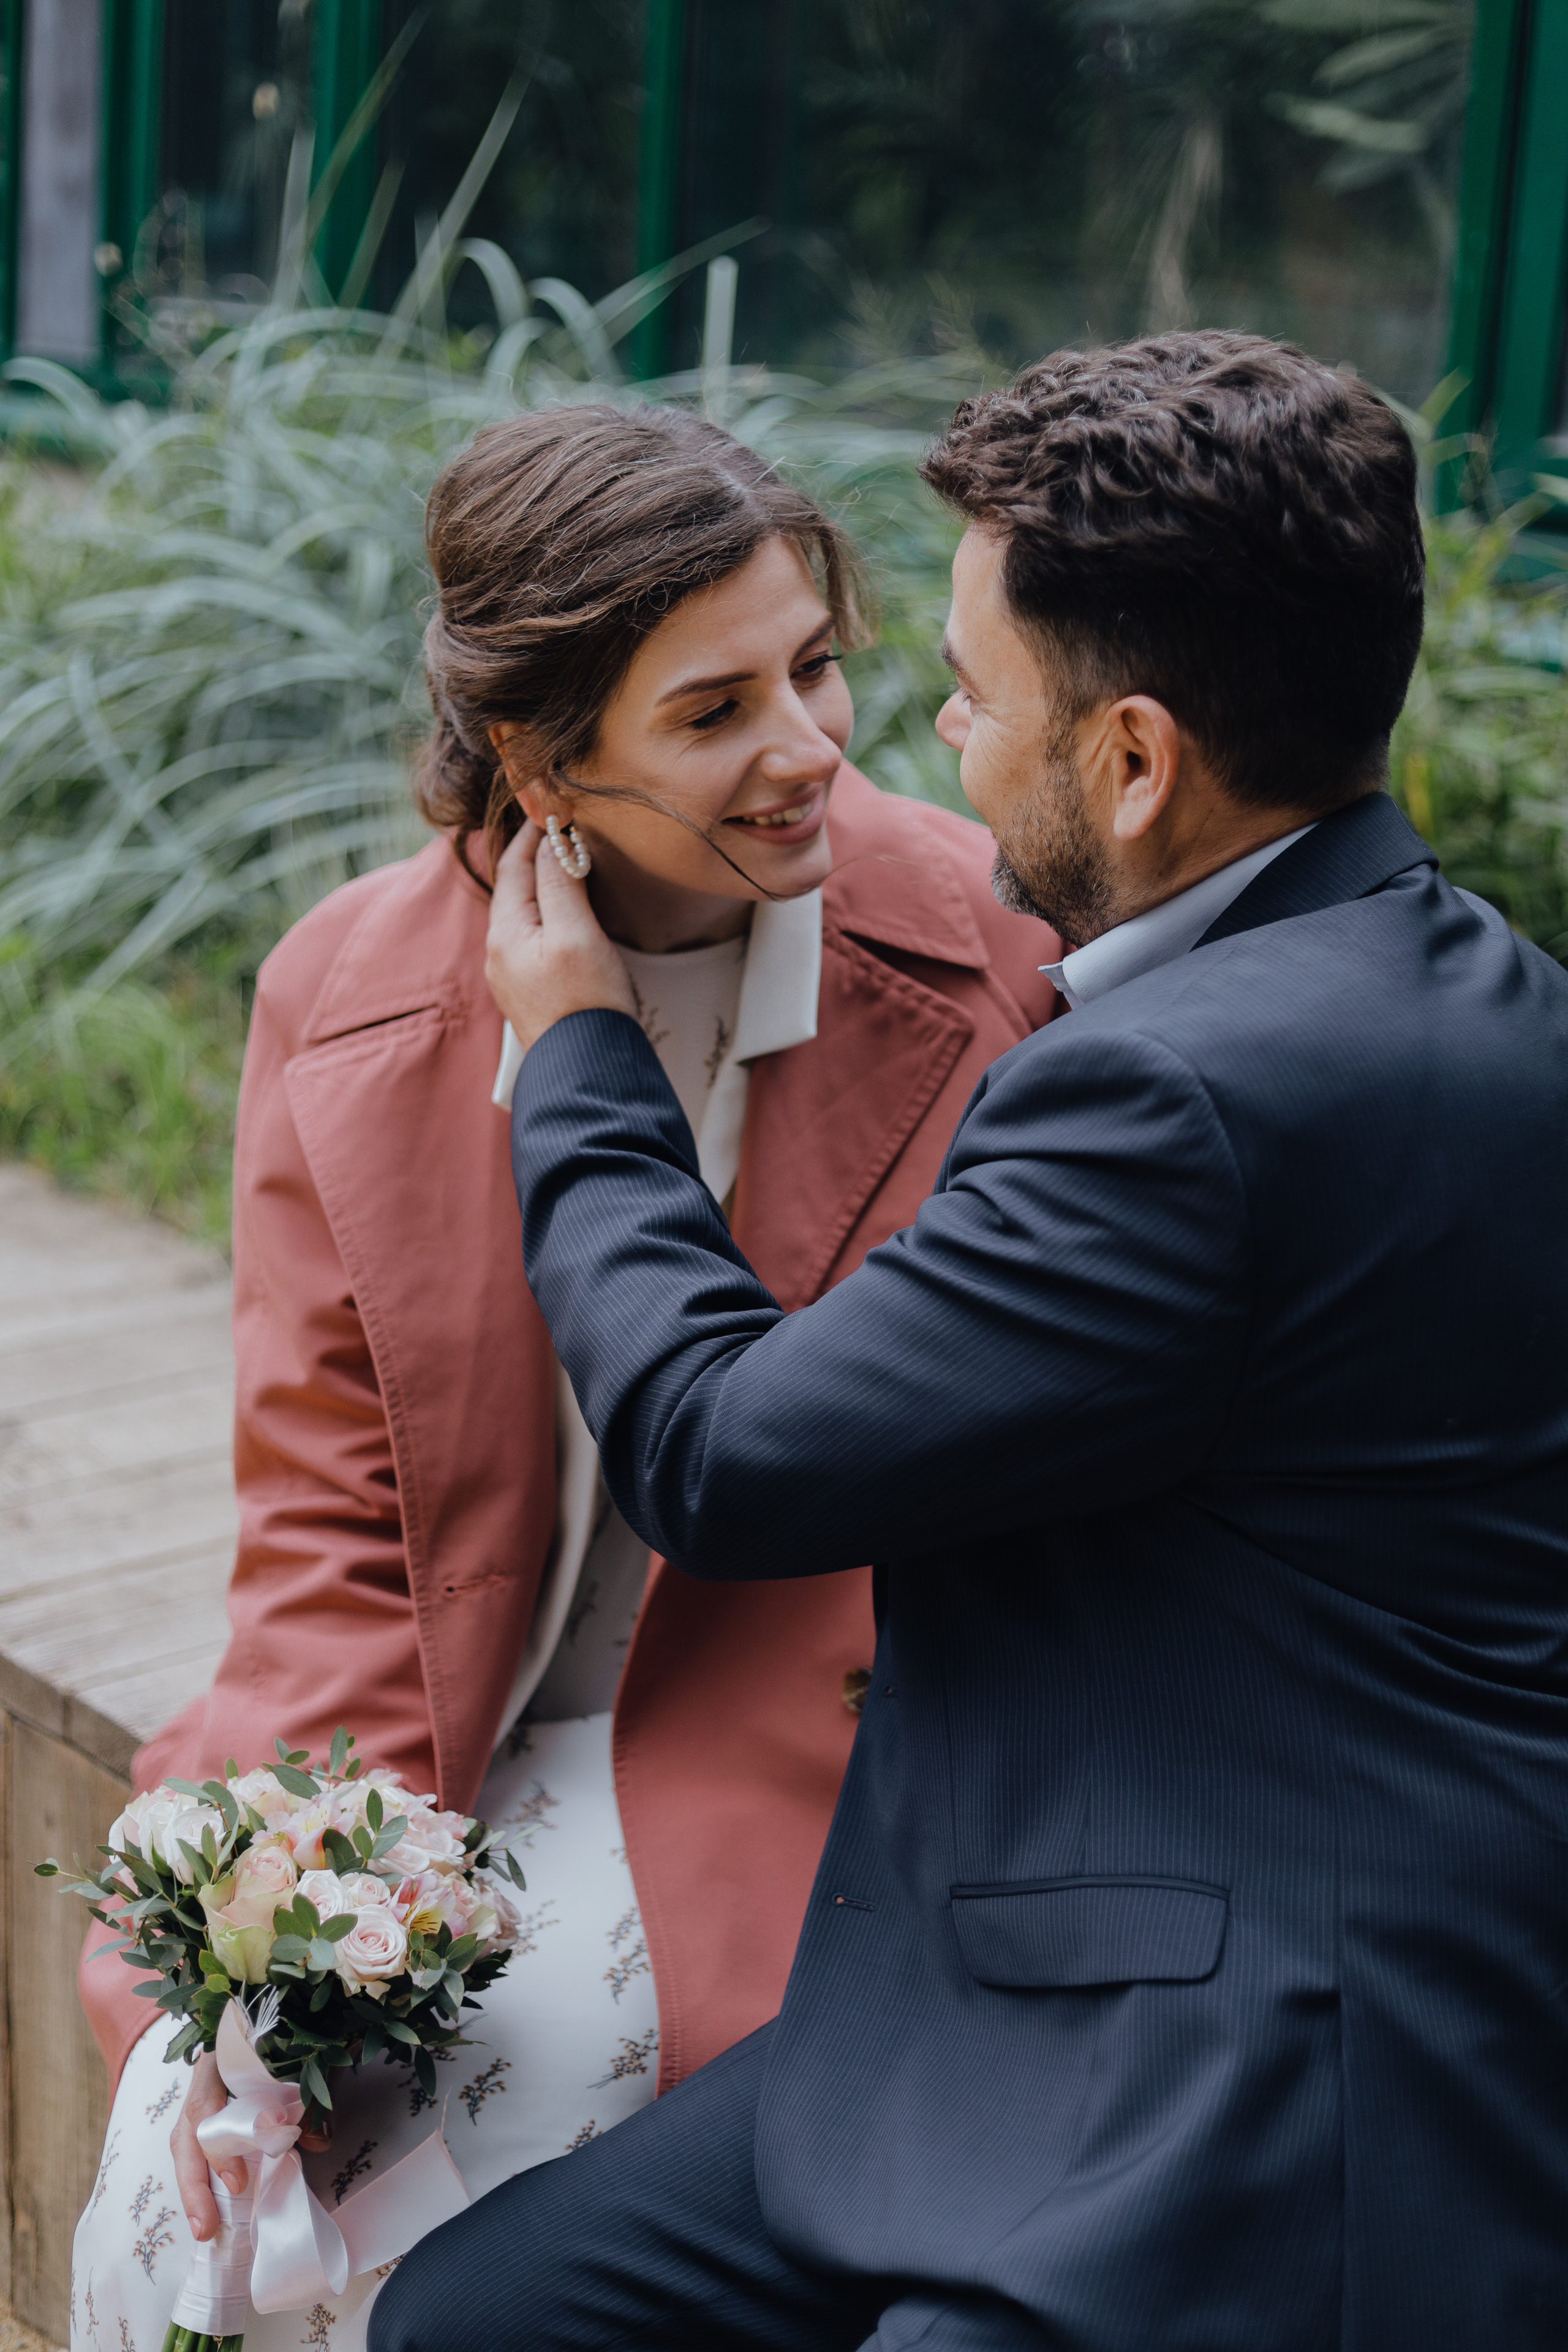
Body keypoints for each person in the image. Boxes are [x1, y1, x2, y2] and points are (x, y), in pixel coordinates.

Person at [375, 331, 1568, 2352]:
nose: (913, 733)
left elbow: (731, 1452)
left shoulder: (1176, 1095)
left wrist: (577, 1057)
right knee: (485, 2315)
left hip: (1249, 2072)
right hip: (1075, 1946)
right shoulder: (1489, 999)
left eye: (971, 690)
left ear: (1132, 758)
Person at [70, 404, 1060, 2352]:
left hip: (810, 1744)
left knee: (461, 2222)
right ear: (542, 755)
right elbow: (338, 1530)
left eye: (818, 666)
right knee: (199, 2206)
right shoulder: (346, 997)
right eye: (714, 713)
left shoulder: (989, 957)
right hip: (438, 1741)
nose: (811, 746)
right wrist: (294, 1940)